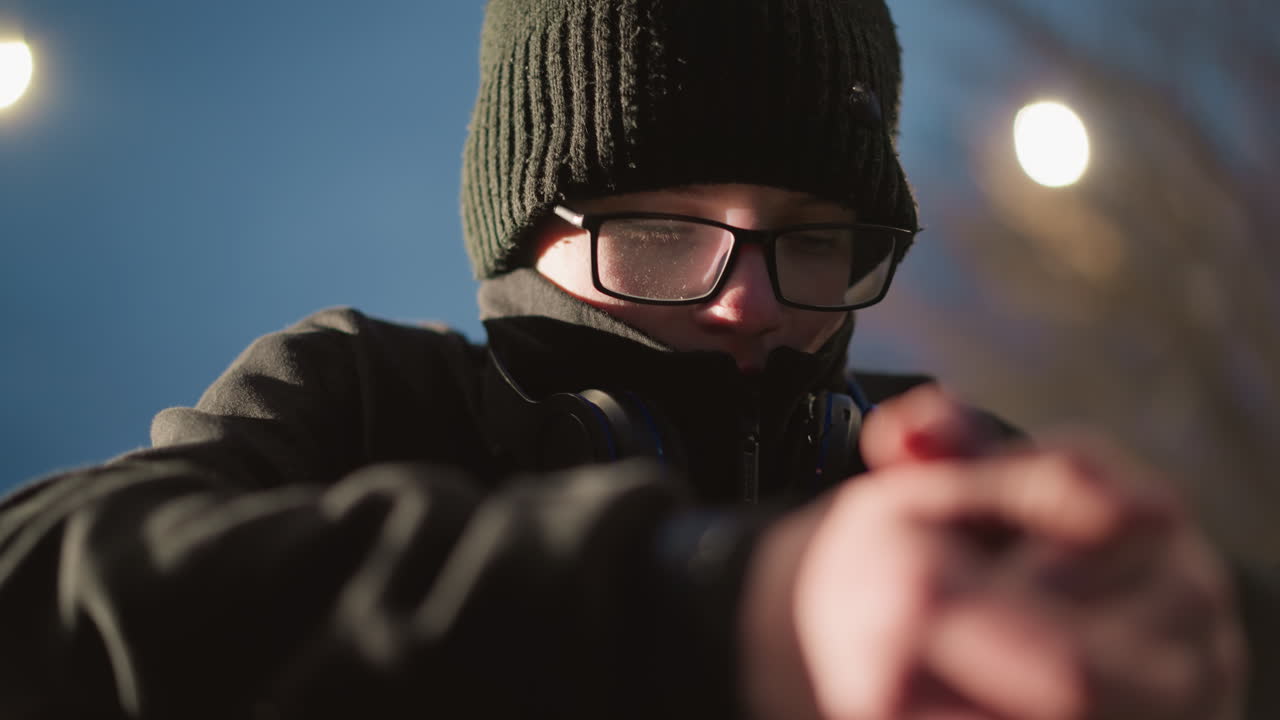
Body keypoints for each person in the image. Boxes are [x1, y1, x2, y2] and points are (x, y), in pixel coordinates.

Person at [0, 0, 1260, 718]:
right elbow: (39, 592)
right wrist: (720, 608)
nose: (748, 307)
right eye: (658, 234)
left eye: (815, 242)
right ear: (522, 237)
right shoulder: (360, 401)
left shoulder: (940, 472)